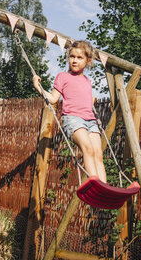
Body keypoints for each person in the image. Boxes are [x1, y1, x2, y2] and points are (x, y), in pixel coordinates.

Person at [33, 40, 107, 183]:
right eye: (72, 57)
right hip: (73, 119)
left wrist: (90, 101)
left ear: (88, 61)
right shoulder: (63, 76)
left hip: (90, 121)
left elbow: (83, 98)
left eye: (79, 58)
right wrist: (38, 87)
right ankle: (96, 183)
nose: (74, 60)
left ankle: (104, 187)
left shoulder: (87, 81)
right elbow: (53, 99)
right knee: (88, 149)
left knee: (98, 154)